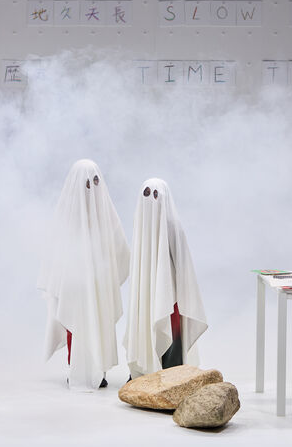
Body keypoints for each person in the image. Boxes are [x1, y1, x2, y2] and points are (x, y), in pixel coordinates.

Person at [38, 159, 129, 390]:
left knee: (99, 321)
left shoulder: (105, 213)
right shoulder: (66, 215)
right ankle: (76, 369)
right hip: (75, 285)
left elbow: (120, 248)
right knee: (76, 323)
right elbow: (56, 253)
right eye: (87, 183)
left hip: (99, 283)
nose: (92, 187)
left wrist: (108, 274)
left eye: (96, 181)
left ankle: (100, 369)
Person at [123, 178, 207, 379]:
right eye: (146, 195)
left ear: (165, 198)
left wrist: (176, 289)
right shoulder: (141, 223)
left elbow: (183, 264)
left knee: (169, 331)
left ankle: (171, 374)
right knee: (145, 324)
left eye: (156, 195)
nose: (151, 200)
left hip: (168, 293)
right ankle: (143, 371)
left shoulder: (173, 226)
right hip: (145, 291)